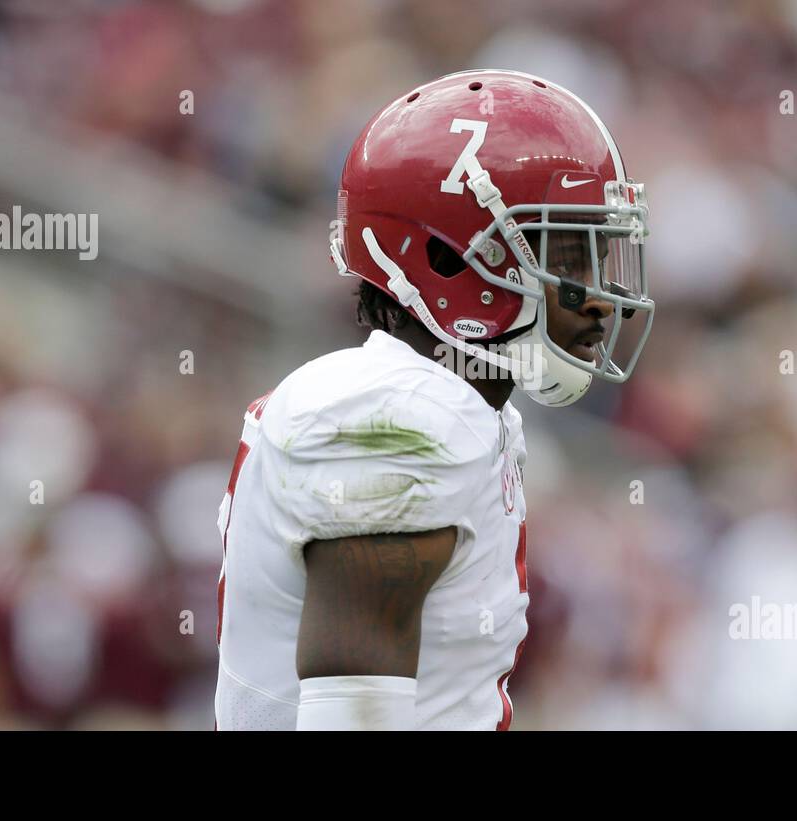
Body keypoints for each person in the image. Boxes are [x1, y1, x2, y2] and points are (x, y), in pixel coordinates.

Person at [213, 69, 653, 730]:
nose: (594, 295)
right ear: (449, 260)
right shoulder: (395, 416)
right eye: (567, 255)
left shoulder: (460, 407)